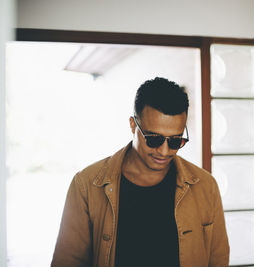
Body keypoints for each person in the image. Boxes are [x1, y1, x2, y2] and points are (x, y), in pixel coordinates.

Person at [51, 77, 230, 267]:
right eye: (154, 139)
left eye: (175, 141)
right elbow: (68, 261)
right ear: (132, 125)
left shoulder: (205, 186)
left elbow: (218, 259)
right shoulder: (87, 185)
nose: (164, 151)